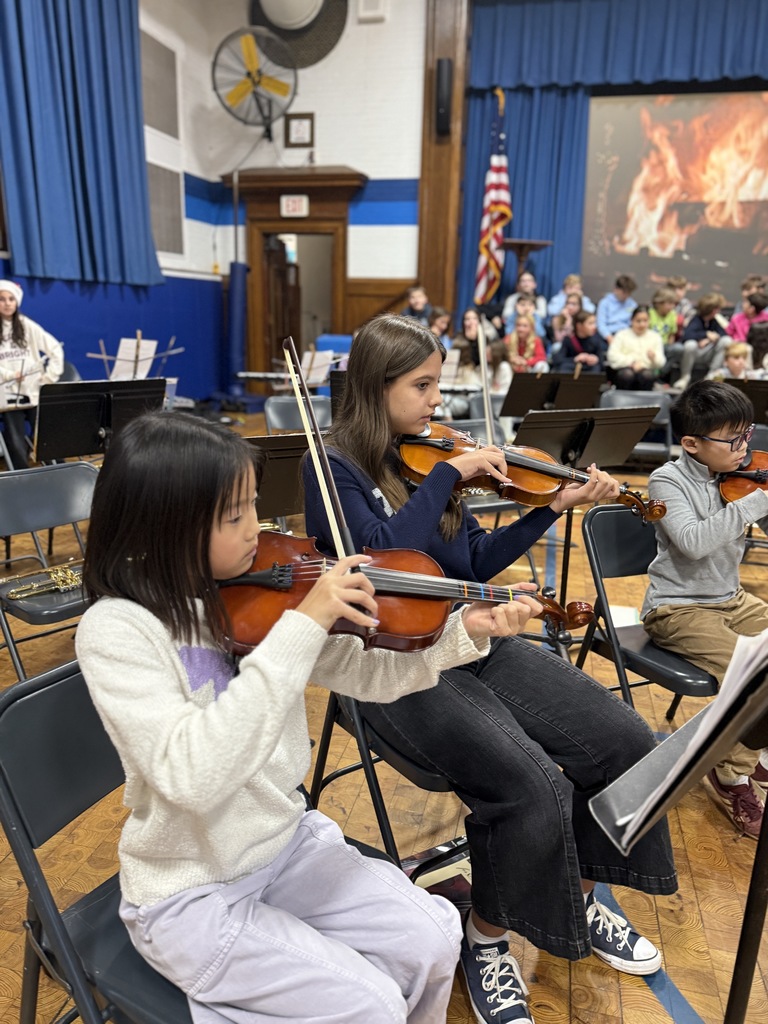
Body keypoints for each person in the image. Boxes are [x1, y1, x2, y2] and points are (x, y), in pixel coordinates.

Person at [75, 410, 537, 1024]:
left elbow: (369, 674)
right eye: (235, 514)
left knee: (432, 937)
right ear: (168, 524)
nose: (257, 529)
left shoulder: (255, 593)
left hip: (283, 846)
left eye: (254, 507)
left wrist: (459, 632)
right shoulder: (118, 629)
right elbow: (191, 775)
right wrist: (302, 626)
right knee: (368, 1004)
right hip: (192, 890)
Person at [304, 313, 678, 1024]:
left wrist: (548, 513)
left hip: (476, 640)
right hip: (396, 666)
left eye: (438, 384)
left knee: (624, 741)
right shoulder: (333, 466)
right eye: (422, 386)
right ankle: (486, 939)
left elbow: (473, 563)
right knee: (528, 780)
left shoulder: (429, 454)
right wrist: (446, 475)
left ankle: (585, 891)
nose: (437, 401)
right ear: (376, 388)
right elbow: (382, 563)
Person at [642, 381, 768, 839]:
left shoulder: (741, 474)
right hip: (678, 609)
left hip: (731, 599)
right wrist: (759, 500)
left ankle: (757, 752)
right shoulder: (667, 481)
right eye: (732, 440)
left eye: (747, 435)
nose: (744, 448)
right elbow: (694, 543)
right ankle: (731, 774)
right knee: (757, 676)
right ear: (692, 443)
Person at [0, 279, 64, 469]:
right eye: (2, 299)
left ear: (17, 302)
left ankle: (61, 471)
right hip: (8, 399)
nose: (7, 303)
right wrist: (10, 375)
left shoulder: (26, 325)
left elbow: (55, 349)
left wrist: (48, 378)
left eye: (11, 299)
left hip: (33, 393)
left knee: (49, 437)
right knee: (16, 443)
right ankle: (22, 479)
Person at [674, 292, 730, 389]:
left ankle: (711, 376)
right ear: (713, 310)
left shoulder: (714, 321)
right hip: (695, 354)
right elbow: (687, 336)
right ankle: (685, 377)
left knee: (726, 341)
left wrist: (709, 339)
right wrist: (705, 334)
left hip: (708, 353)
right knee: (690, 344)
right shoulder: (696, 319)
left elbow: (723, 334)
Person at [605, 305, 666, 390]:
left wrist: (653, 358)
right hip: (625, 370)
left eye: (645, 321)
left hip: (646, 371)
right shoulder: (621, 335)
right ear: (631, 321)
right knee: (627, 375)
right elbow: (612, 356)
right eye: (638, 321)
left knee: (647, 375)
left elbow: (661, 362)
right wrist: (631, 362)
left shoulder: (655, 337)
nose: (642, 324)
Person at [549, 309, 607, 374]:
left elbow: (602, 363)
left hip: (589, 368)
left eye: (594, 323)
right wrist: (575, 359)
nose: (594, 327)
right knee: (564, 367)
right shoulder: (569, 340)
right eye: (590, 323)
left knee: (596, 368)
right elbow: (557, 359)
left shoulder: (596, 340)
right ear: (579, 326)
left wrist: (596, 359)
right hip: (572, 367)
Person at [596, 274, 638, 344]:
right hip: (609, 334)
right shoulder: (605, 303)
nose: (626, 296)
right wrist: (609, 337)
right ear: (616, 289)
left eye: (629, 293)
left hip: (626, 334)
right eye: (624, 292)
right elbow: (601, 324)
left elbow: (633, 323)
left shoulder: (632, 304)